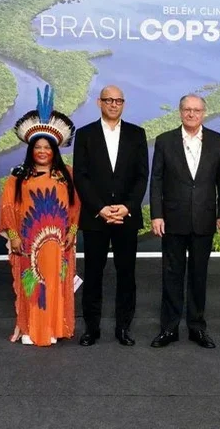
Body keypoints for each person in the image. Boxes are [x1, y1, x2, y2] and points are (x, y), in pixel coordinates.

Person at [0, 85, 79, 347]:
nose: (42, 151)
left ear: (55, 150)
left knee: (55, 283)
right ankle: (31, 328)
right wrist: (13, 235)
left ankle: (54, 326)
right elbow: (7, 207)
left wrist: (72, 232)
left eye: (48, 147)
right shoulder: (18, 175)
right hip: (28, 243)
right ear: (31, 148)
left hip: (58, 245)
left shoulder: (66, 173)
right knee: (32, 284)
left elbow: (76, 206)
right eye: (38, 147)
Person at [149, 94, 220, 349]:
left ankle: (197, 328)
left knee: (198, 276)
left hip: (205, 218)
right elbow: (157, 181)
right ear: (180, 112)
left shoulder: (218, 141)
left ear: (204, 113)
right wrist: (156, 214)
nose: (192, 114)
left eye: (196, 110)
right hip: (172, 218)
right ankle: (169, 329)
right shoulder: (164, 141)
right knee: (172, 275)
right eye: (187, 110)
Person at [73, 85, 148, 347]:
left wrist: (127, 206)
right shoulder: (85, 135)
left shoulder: (137, 134)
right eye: (109, 100)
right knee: (93, 274)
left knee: (126, 274)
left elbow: (142, 176)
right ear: (99, 102)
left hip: (126, 217)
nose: (114, 104)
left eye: (118, 100)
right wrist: (100, 208)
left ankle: (124, 328)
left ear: (123, 104)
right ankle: (91, 328)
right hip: (96, 217)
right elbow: (80, 176)